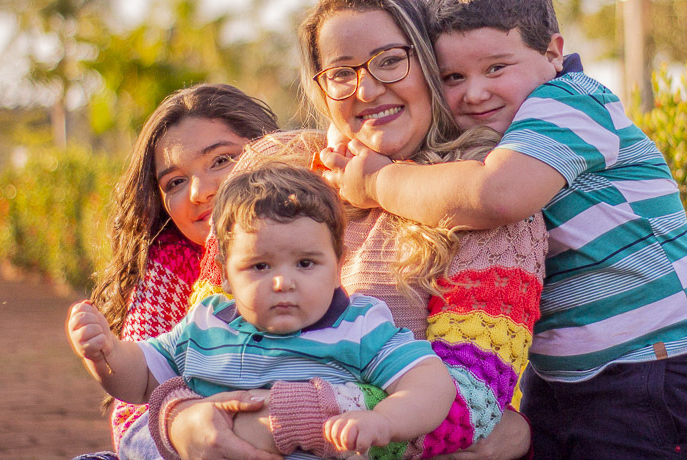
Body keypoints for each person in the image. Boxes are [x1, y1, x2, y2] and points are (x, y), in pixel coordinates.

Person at [326, 0, 687, 459]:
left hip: (649, 366)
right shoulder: (503, 128)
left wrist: (378, 182)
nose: (475, 92)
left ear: (554, 52)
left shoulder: (569, 102)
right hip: (565, 373)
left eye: (497, 67)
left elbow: (493, 196)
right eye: (452, 78)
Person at [152, 0, 547, 460]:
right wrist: (178, 419)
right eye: (341, 73)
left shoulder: (482, 201)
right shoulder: (272, 173)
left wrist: (283, 419)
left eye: (389, 61)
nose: (367, 88)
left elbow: (472, 401)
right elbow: (198, 336)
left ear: (428, 62)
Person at [68, 155, 455, 457]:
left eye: (306, 263)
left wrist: (384, 420)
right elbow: (139, 381)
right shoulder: (205, 325)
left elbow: (431, 382)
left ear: (338, 264)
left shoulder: (358, 326)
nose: (282, 281)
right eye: (259, 266)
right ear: (224, 275)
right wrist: (105, 353)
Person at [86, 83, 280, 460]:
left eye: (221, 160)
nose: (199, 192)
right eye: (175, 182)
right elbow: (131, 420)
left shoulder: (332, 239)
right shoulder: (170, 267)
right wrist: (185, 429)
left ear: (273, 152)